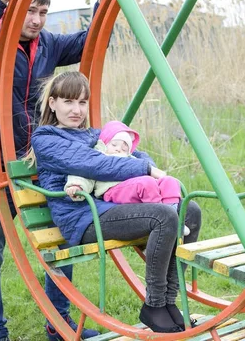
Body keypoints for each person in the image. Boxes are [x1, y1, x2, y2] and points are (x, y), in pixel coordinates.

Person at [0, 0, 105, 341]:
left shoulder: (48, 45)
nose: (36, 20)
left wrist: (105, 4)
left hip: (36, 166)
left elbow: (90, 41)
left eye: (42, 13)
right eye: (29, 11)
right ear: (12, 11)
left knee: (58, 244)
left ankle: (59, 326)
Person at [29, 71, 202, 333]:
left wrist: (145, 167)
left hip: (111, 207)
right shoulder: (46, 139)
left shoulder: (92, 135)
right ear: (52, 103)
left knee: (190, 211)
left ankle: (168, 301)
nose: (77, 110)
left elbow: (136, 153)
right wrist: (145, 169)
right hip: (83, 217)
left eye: (82, 103)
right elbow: (92, 163)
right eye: (68, 102)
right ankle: (153, 306)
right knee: (163, 216)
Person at [64, 120, 191, 236]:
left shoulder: (131, 159)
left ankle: (174, 216)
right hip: (112, 190)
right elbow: (83, 172)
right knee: (146, 182)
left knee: (170, 181)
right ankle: (164, 218)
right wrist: (76, 186)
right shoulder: (98, 156)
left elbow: (141, 169)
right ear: (104, 143)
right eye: (114, 145)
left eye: (124, 148)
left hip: (136, 188)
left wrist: (160, 184)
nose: (119, 149)